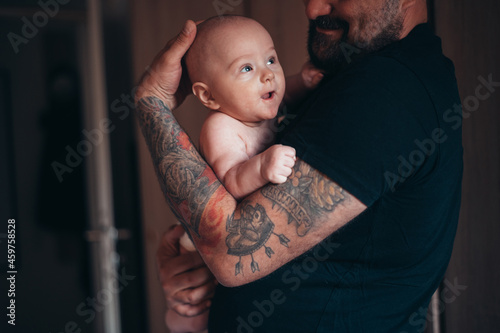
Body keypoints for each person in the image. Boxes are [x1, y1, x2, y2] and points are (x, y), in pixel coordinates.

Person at [136, 0, 462, 332]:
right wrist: (193, 269)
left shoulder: (389, 87)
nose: (313, 8)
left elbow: (230, 252)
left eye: (269, 59)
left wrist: (152, 102)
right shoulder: (356, 78)